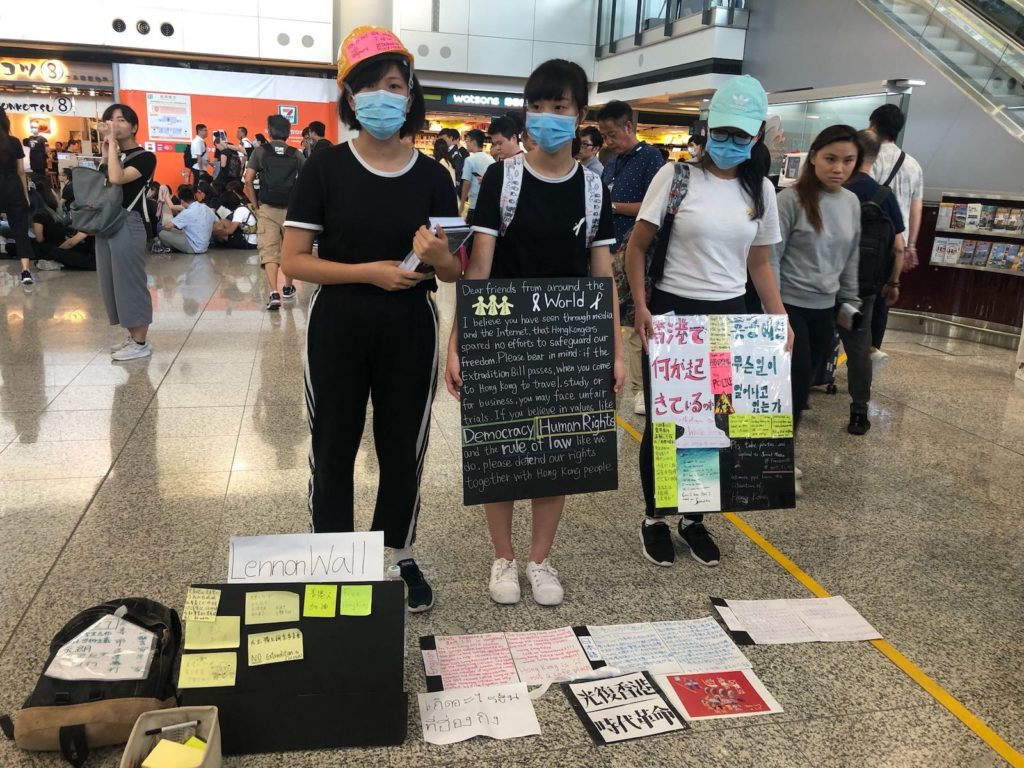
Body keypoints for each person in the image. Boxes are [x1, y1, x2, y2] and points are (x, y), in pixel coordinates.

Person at [280, 25, 461, 613]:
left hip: (412, 325)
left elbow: (454, 271)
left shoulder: (435, 177)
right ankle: (332, 559)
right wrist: (368, 272)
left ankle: (398, 554)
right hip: (338, 324)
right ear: (350, 97)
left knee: (401, 444)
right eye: (368, 86)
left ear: (410, 94)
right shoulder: (325, 169)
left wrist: (440, 260)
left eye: (393, 84)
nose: (382, 96)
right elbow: (293, 261)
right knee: (332, 442)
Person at [446, 58, 622, 607]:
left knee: (556, 450)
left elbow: (603, 277)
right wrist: (458, 342)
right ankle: (503, 557)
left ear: (580, 115)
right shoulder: (505, 176)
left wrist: (616, 351)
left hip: (568, 338)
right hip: (503, 332)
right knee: (499, 448)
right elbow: (479, 267)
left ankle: (540, 559)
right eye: (538, 107)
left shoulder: (594, 191)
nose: (547, 117)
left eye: (560, 108)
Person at [626, 74, 785, 569]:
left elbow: (759, 264)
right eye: (722, 130)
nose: (729, 142)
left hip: (730, 315)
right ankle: (654, 516)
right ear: (708, 127)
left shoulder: (760, 191)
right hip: (673, 311)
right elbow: (637, 246)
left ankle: (694, 518)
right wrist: (641, 308)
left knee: (712, 423)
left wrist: (780, 320)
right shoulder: (675, 178)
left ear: (756, 135)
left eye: (741, 134)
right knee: (666, 421)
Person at [773, 124, 862, 490]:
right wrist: (774, 310)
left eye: (848, 160)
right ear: (813, 157)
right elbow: (771, 258)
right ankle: (779, 460)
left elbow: (851, 255)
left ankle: (777, 451)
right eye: (830, 159)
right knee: (792, 385)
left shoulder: (852, 202)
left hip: (826, 308)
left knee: (807, 383)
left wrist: (851, 299)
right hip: (789, 305)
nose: (838, 168)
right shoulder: (791, 200)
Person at [598, 99, 665, 417]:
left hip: (636, 254)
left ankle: (640, 391)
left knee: (637, 321)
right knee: (609, 320)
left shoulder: (651, 159)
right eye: (604, 135)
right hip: (607, 251)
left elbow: (654, 207)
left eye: (611, 134)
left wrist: (614, 207)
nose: (607, 141)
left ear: (629, 126)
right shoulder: (612, 161)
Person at [839, 130, 905, 435]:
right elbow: (899, 246)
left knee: (810, 339)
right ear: (875, 158)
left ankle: (801, 396)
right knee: (858, 345)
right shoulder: (884, 195)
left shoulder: (837, 189)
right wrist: (892, 282)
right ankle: (859, 412)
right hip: (863, 285)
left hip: (823, 282)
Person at [95, 103, 158, 361]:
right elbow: (102, 183)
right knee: (112, 284)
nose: (114, 124)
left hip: (129, 224)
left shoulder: (145, 157)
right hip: (107, 224)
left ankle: (141, 342)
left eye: (120, 120)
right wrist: (107, 151)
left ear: (133, 126)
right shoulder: (113, 155)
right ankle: (133, 336)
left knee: (130, 283)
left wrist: (112, 151)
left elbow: (117, 178)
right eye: (109, 120)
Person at [867, 104, 922, 362]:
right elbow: (916, 206)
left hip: (869, 239)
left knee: (860, 294)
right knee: (884, 298)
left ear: (873, 125)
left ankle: (850, 350)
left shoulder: (871, 158)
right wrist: (911, 245)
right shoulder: (913, 165)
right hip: (896, 241)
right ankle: (872, 353)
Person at [244, 114, 304, 310]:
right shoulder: (296, 154)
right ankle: (287, 287)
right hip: (291, 211)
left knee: (270, 251)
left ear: (269, 131)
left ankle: (273, 292)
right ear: (287, 133)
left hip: (267, 208)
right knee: (289, 250)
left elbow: (248, 179)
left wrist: (256, 205)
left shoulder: (261, 151)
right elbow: (306, 183)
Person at [0, 108, 34, 284]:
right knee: (20, 230)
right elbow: (21, 171)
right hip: (13, 187)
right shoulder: (14, 142)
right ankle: (26, 272)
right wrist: (25, 194)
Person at [158, 184, 215, 254]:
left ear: (182, 201)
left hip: (194, 247)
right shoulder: (205, 207)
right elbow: (216, 221)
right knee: (173, 230)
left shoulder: (187, 212)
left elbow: (167, 226)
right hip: (204, 245)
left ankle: (171, 248)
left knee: (161, 232)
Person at [459, 128, 494, 225]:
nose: (466, 143)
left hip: (474, 205)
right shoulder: (491, 159)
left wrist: (461, 204)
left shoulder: (469, 160)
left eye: (467, 141)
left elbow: (466, 183)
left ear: (473, 142)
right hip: (487, 204)